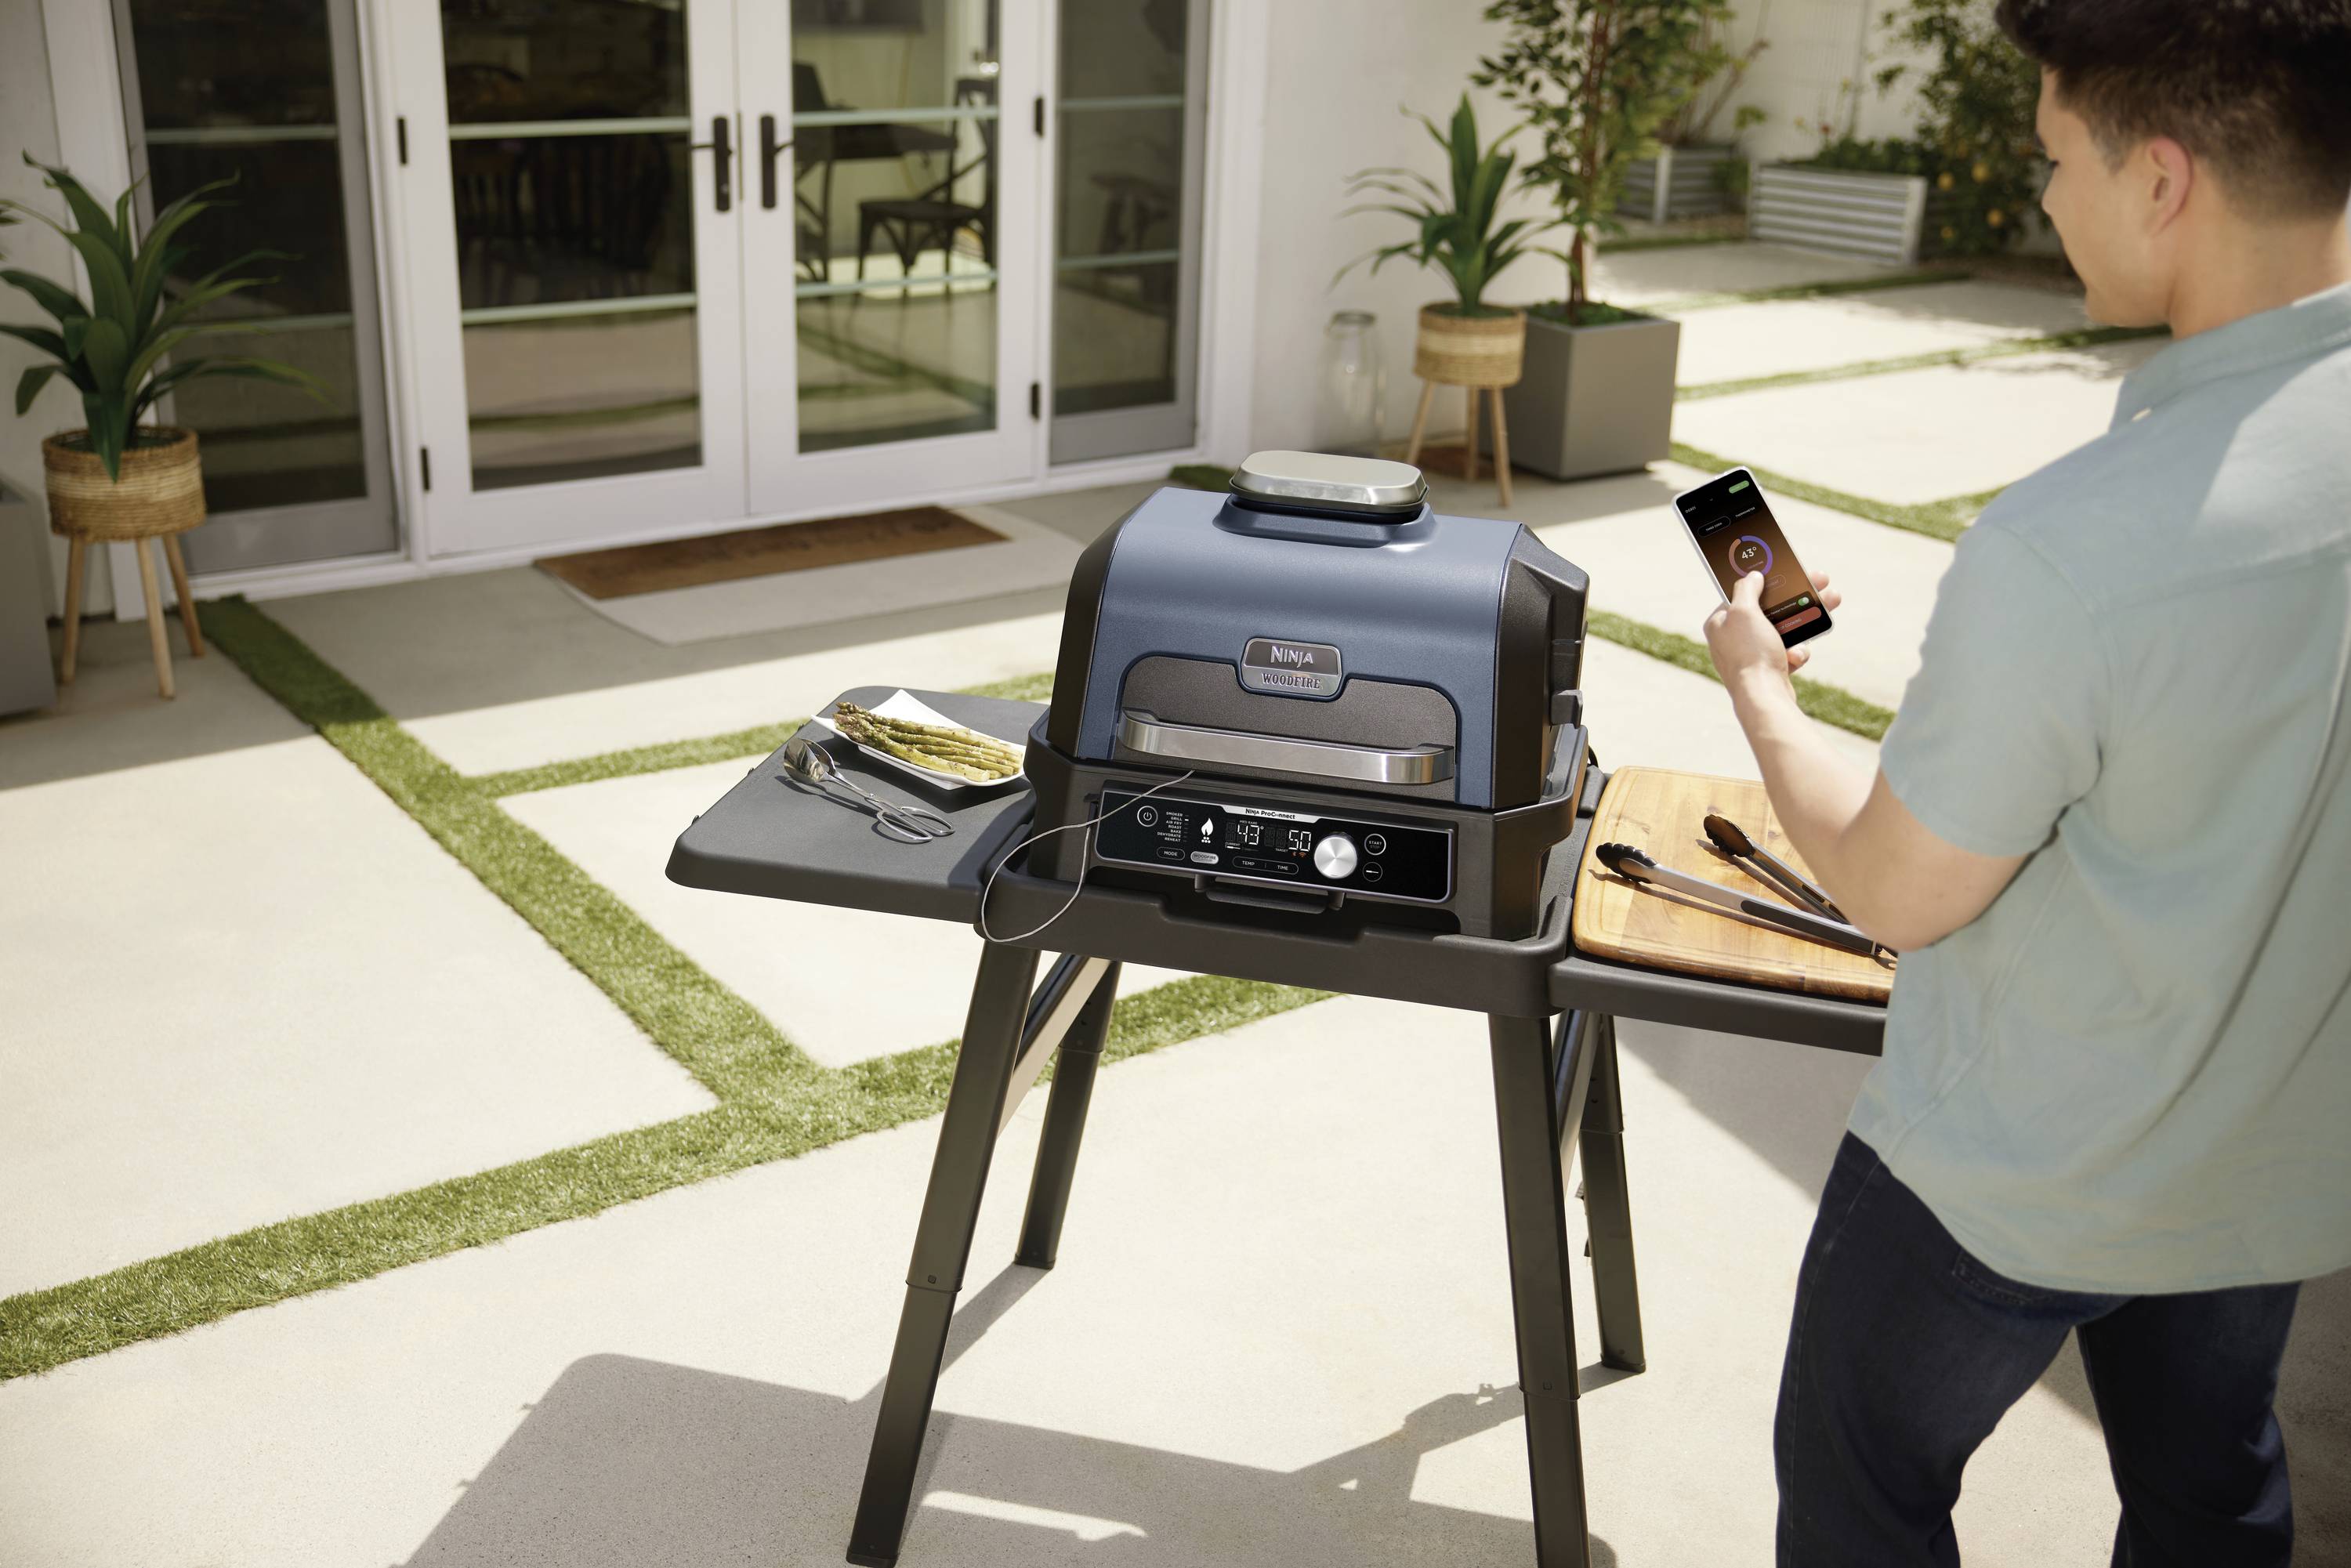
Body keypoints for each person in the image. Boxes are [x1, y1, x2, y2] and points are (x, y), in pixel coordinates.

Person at [1697, 2, 2351, 1563]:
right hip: (2271, 1156)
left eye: (2055, 156)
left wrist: (1762, 692)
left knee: (1859, 1485)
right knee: (2212, 1499)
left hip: (2012, 1175)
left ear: (2162, 179)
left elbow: (1898, 886)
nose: (2043, 193)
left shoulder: (2071, 544)